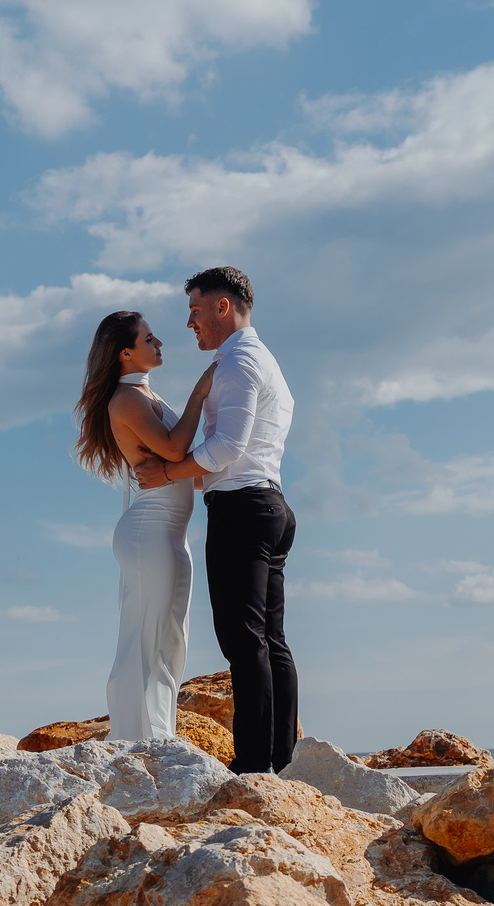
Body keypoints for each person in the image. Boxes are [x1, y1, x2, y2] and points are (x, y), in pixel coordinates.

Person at [131, 265, 297, 774]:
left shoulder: (239, 363)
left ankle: (254, 767)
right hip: (265, 503)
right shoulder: (259, 359)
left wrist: (168, 473)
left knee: (244, 641)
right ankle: (276, 759)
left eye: (195, 311)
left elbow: (227, 447)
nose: (190, 324)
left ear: (223, 307)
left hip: (243, 510)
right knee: (270, 640)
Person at [72, 310, 212, 741]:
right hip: (148, 531)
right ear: (126, 353)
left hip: (171, 534)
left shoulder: (148, 396)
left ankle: (160, 739)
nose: (160, 344)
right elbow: (173, 448)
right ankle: (131, 744)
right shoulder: (127, 400)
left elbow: (188, 467)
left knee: (170, 642)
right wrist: (200, 394)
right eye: (150, 339)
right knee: (142, 640)